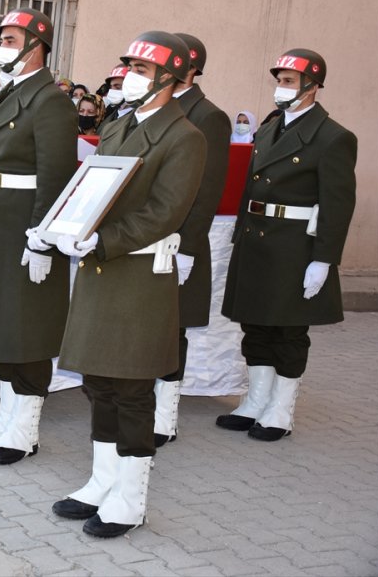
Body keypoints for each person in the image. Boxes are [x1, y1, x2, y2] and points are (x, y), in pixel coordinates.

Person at [50, 31, 206, 538]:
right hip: (101, 268)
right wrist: (63, 227)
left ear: (168, 79)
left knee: (132, 389)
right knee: (98, 381)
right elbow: (90, 188)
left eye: (142, 69)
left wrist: (101, 240)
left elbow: (166, 212)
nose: (130, 77)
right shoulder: (118, 126)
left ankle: (131, 500)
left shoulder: (185, 137)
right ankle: (102, 481)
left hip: (136, 273)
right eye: (130, 67)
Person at [0, 9, 76, 464]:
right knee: (3, 326)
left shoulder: (50, 101)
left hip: (25, 229)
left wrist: (42, 238)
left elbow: (56, 177)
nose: (2, 46)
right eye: (2, 38)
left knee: (26, 330)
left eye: (10, 38)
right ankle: (7, 415)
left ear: (36, 45)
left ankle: (26, 429)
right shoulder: (13, 92)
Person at [219, 49, 357, 442]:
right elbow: (251, 187)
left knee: (289, 332)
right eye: (279, 80)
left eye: (290, 82)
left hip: (295, 247)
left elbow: (337, 204)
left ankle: (281, 409)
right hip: (258, 241)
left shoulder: (333, 137)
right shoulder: (268, 128)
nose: (281, 88)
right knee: (255, 325)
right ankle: (256, 400)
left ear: (313, 87)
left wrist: (324, 260)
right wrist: (240, 233)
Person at [152, 33, 231, 446]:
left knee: (172, 329)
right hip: (147, 237)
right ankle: (143, 403)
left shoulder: (208, 116)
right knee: (148, 325)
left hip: (178, 241)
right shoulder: (153, 105)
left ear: (189, 67)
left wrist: (188, 246)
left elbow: (207, 190)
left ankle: (164, 416)